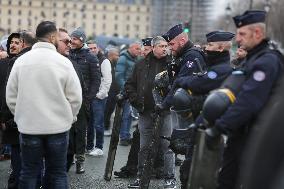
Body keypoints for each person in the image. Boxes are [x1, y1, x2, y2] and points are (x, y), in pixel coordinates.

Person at [205, 10, 283, 189]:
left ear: (257, 33)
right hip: (241, 133)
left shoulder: (266, 61)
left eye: (242, 34)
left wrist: (219, 127)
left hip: (253, 137)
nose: (237, 39)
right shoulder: (253, 59)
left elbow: (249, 101)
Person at [5, 21, 82, 189]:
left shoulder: (21, 61)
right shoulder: (63, 62)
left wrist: (20, 116)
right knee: (57, 173)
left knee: (28, 172)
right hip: (58, 128)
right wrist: (69, 118)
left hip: (29, 127)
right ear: (53, 37)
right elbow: (76, 97)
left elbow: (11, 96)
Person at [170, 31, 234, 189]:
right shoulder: (213, 67)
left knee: (199, 172)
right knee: (188, 169)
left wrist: (182, 81)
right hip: (200, 124)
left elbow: (200, 83)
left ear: (220, 48)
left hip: (210, 128)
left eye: (210, 45)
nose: (206, 47)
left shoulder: (221, 70)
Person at [126, 36, 176, 189]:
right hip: (145, 111)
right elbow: (130, 84)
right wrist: (135, 100)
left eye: (166, 46)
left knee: (167, 146)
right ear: (153, 47)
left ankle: (170, 178)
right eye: (161, 46)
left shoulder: (172, 65)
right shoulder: (140, 63)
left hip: (165, 112)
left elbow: (177, 86)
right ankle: (141, 177)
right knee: (144, 146)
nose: (164, 48)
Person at [114, 37, 153, 178]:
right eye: (143, 49)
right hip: (144, 108)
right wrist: (127, 95)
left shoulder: (161, 64)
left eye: (147, 49)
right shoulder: (141, 63)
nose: (143, 51)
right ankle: (132, 168)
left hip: (157, 109)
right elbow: (131, 82)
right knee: (139, 138)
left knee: (157, 142)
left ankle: (156, 170)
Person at [69, 27, 101, 173]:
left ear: (82, 40)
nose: (72, 41)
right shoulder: (67, 55)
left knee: (81, 132)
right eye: (71, 38)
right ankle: (67, 159)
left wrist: (88, 98)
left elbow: (96, 80)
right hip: (66, 100)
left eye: (75, 39)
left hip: (82, 101)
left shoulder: (90, 57)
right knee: (67, 132)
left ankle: (80, 160)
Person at [86, 40, 112, 156]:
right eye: (90, 48)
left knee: (98, 123)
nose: (92, 50)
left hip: (98, 97)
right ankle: (90, 146)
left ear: (98, 48)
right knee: (89, 123)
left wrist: (100, 94)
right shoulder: (88, 59)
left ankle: (99, 147)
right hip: (90, 96)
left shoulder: (104, 61)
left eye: (94, 48)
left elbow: (107, 80)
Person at [115, 41, 142, 146]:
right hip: (126, 92)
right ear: (130, 48)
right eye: (137, 49)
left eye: (140, 49)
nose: (139, 51)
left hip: (132, 91)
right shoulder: (123, 58)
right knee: (126, 115)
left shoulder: (135, 59)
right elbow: (119, 76)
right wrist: (126, 90)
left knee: (130, 115)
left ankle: (126, 135)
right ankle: (123, 137)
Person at [104, 47, 120, 136]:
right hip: (109, 92)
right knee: (107, 111)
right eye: (117, 55)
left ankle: (106, 127)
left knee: (109, 111)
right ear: (111, 55)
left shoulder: (114, 64)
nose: (118, 57)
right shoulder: (107, 63)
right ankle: (105, 128)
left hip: (113, 92)